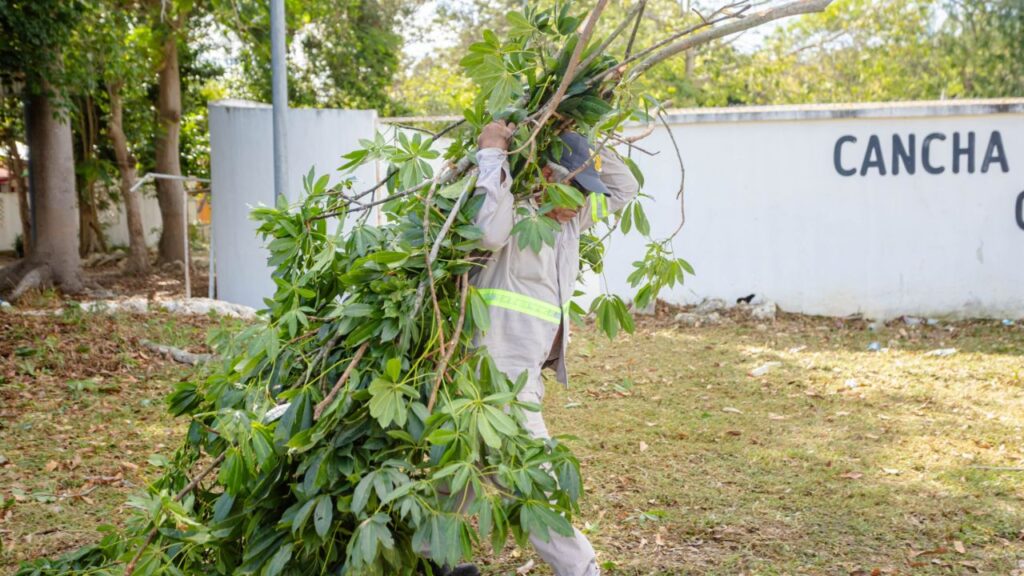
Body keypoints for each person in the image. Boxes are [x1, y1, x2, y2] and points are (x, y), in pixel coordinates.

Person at [455, 120, 640, 576]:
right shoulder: (514, 209)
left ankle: (440, 557)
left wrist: (579, 131)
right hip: (495, 368)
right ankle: (581, 568)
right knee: (532, 475)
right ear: (542, 176)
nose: (580, 201)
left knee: (469, 460)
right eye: (571, 186)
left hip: (526, 369)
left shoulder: (570, 219)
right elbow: (486, 234)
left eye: (584, 190)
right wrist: (495, 154)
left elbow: (626, 188)